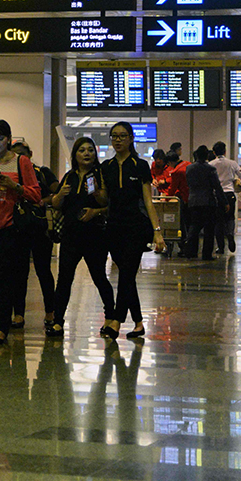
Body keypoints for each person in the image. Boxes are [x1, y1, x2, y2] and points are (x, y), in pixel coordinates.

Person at [100, 122, 166, 340]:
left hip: (135, 227)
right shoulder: (106, 166)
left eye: (122, 136)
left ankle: (117, 321)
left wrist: (157, 231)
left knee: (127, 275)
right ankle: (138, 323)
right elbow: (103, 199)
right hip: (113, 228)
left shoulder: (140, 165)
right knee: (127, 276)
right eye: (114, 136)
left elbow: (148, 201)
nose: (118, 140)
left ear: (130, 139)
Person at [0, 120, 41, 344]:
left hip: (11, 225)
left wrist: (14, 187)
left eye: (0, 138)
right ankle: (3, 317)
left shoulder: (21, 163)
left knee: (5, 274)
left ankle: (2, 325)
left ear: (9, 139)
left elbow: (36, 195)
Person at [46, 137, 112, 337]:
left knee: (99, 277)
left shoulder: (100, 174)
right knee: (64, 279)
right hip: (70, 236)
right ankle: (58, 321)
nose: (86, 153)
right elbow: (56, 204)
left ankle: (110, 318)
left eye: (90, 150)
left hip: (94, 236)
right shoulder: (69, 176)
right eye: (82, 150)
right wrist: (61, 195)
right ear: (75, 154)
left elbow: (106, 203)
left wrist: (96, 208)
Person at [11, 141, 59, 330]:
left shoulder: (43, 172)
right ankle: (18, 314)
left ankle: (50, 312)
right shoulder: (12, 175)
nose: (20, 158)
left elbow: (56, 193)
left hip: (40, 228)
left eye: (23, 154)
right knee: (19, 273)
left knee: (43, 271)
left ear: (30, 154)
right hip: (18, 228)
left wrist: (40, 200)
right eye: (16, 155)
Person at [183, 145, 226, 261]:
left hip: (193, 201)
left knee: (194, 227)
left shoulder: (189, 168)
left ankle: (190, 252)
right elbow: (217, 186)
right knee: (209, 229)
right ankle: (206, 254)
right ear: (207, 155)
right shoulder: (210, 169)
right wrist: (224, 201)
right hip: (208, 202)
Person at [209, 141, 241, 254]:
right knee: (230, 218)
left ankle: (220, 247)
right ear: (225, 151)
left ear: (214, 152)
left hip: (217, 195)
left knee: (218, 221)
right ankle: (230, 234)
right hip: (229, 193)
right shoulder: (232, 163)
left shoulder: (211, 164)